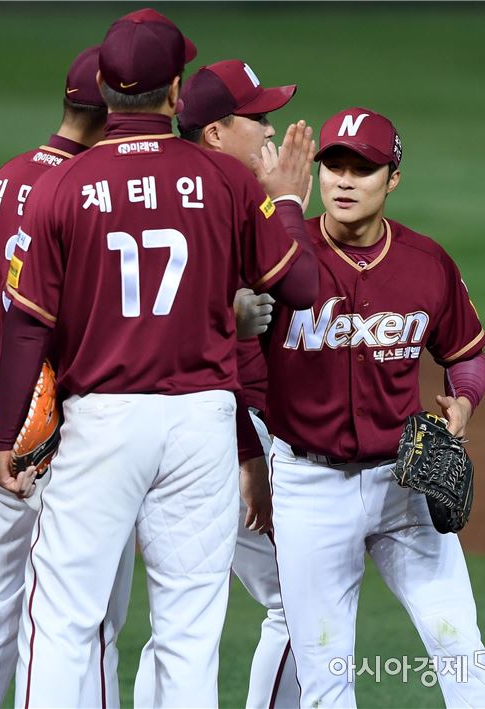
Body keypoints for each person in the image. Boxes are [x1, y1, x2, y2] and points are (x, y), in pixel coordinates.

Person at [0, 9, 318, 708]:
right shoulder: (226, 180)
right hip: (202, 425)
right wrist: (288, 203)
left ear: (105, 90)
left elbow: (25, 327)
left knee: (63, 620)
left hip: (102, 424)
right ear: (175, 91)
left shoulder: (62, 186)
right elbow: (299, 286)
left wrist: (7, 433)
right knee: (189, 632)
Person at [261, 106, 485, 708]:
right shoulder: (282, 256)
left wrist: (463, 402)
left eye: (362, 169)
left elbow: (466, 355)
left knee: (461, 646)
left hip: (405, 484)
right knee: (326, 675)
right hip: (309, 488)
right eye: (334, 166)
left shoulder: (426, 262)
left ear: (392, 179)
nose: (344, 182)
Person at [0, 46, 136, 709]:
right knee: (86, 618)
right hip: (70, 427)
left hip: (6, 415)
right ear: (113, 111)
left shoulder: (1, 182)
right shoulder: (88, 196)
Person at [133, 58, 303, 709]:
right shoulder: (229, 200)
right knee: (300, 602)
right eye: (258, 118)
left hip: (157, 433)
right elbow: (297, 288)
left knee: (176, 615)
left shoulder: (168, 194)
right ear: (215, 132)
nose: (272, 130)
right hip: (222, 435)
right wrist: (285, 206)